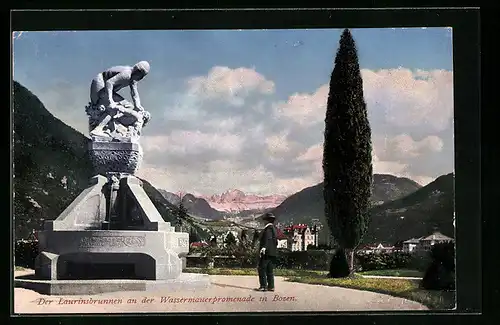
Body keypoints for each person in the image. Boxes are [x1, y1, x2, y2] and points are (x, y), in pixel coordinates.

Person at [255, 212, 278, 292]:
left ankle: (263, 286)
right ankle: (271, 286)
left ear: (267, 220)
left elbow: (267, 239)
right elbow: (275, 241)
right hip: (272, 252)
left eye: (264, 220)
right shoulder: (274, 229)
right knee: (269, 269)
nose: (263, 221)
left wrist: (264, 247)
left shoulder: (268, 229)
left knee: (261, 268)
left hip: (266, 252)